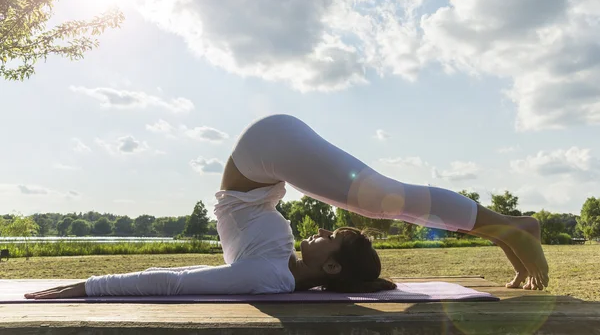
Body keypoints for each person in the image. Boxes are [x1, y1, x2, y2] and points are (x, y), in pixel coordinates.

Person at [25, 114, 549, 299]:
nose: (324, 232)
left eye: (331, 240)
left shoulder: (269, 275)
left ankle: (510, 229)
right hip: (267, 154)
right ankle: (511, 229)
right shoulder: (274, 269)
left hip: (267, 155)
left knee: (385, 202)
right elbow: (176, 279)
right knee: (385, 202)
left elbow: (175, 280)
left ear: (333, 266)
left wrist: (88, 286)